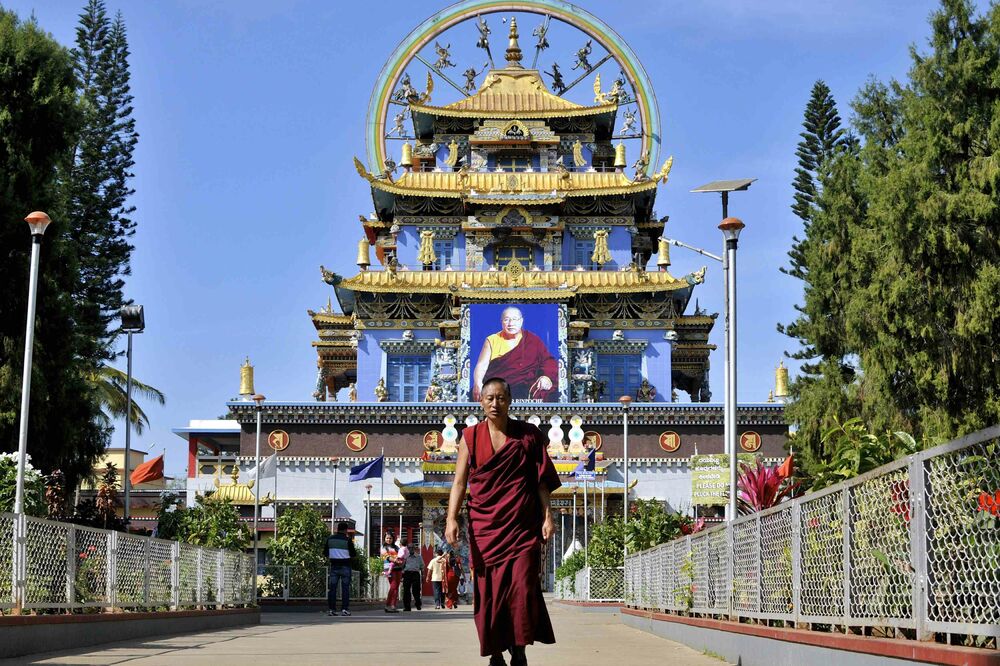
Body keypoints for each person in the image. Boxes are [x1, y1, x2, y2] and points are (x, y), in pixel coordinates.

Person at [447, 376, 561, 666]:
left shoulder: (528, 436)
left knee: (523, 587)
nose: (495, 403)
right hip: (485, 528)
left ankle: (519, 648)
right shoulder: (470, 437)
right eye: (490, 398)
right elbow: (459, 482)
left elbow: (541, 482)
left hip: (522, 526)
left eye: (501, 398)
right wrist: (451, 518)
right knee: (490, 592)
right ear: (481, 402)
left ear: (510, 401)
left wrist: (547, 515)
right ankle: (496, 652)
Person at [472, 307, 558, 402]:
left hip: (525, 387)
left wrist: (546, 377)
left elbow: (548, 361)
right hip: (498, 387)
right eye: (506, 319)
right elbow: (482, 365)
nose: (511, 323)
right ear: (501, 322)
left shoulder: (532, 340)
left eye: (515, 319)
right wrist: (478, 383)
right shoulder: (492, 340)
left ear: (521, 321)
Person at [325, 522, 356, 617]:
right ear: (346, 530)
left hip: (334, 566)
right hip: (345, 566)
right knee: (345, 588)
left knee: (332, 588)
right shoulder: (348, 540)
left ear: (337, 529)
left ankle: (332, 609)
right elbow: (353, 554)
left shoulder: (330, 539)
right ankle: (344, 609)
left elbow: (325, 552)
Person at [380, 532, 402, 613]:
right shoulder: (383, 547)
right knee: (393, 586)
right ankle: (388, 605)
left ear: (393, 539)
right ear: (384, 539)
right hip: (389, 569)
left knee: (396, 587)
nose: (388, 540)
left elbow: (401, 556)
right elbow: (387, 557)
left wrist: (401, 560)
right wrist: (395, 560)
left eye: (390, 538)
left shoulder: (396, 547)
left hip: (398, 568)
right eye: (387, 538)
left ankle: (393, 606)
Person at [401, 537, 424, 611]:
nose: (410, 549)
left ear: (414, 548)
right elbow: (402, 566)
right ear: (407, 548)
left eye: (412, 548)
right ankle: (407, 607)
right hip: (407, 574)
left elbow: (422, 567)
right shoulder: (405, 556)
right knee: (406, 590)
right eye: (409, 548)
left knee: (416, 590)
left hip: (415, 574)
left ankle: (418, 603)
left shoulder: (418, 556)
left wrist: (423, 575)